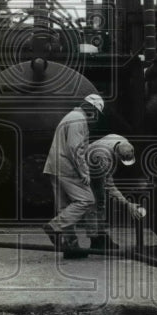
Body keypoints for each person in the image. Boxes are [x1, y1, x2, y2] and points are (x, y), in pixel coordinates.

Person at [42, 93, 104, 258]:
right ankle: (55, 226)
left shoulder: (70, 116)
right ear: (90, 108)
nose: (96, 117)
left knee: (65, 207)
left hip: (55, 166)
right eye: (96, 112)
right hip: (67, 167)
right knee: (86, 200)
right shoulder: (78, 119)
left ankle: (71, 247)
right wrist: (84, 172)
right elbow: (75, 148)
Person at [85, 134, 146, 251]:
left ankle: (101, 235)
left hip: (95, 156)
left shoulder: (124, 141)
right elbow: (109, 185)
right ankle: (95, 241)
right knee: (93, 203)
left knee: (101, 202)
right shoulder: (104, 158)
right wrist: (127, 204)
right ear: (117, 154)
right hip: (86, 167)